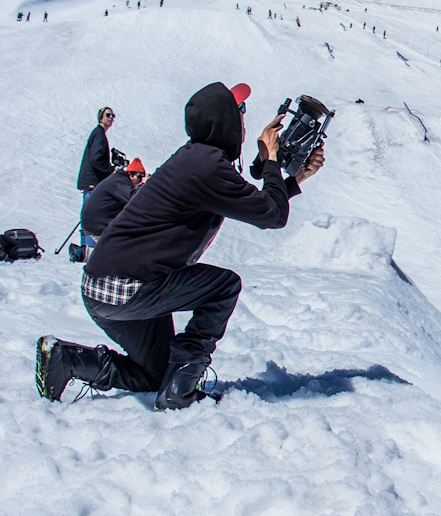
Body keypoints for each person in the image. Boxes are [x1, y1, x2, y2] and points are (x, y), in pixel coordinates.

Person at [35, 82, 325, 410]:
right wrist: (271, 160)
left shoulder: (197, 160)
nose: (244, 121)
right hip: (128, 286)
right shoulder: (206, 165)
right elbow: (272, 215)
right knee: (223, 287)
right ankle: (181, 390)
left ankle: (67, 359)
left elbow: (261, 204)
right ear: (226, 122)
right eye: (239, 112)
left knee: (156, 375)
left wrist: (293, 177)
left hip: (104, 287)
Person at [79, 158, 147, 259]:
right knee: (124, 248)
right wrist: (147, 185)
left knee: (122, 244)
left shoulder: (117, 179)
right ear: (130, 174)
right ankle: (86, 254)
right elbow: (133, 197)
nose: (139, 182)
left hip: (95, 221)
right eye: (139, 178)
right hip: (97, 224)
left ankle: (88, 256)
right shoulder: (119, 182)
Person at [77, 108, 116, 204]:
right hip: (92, 182)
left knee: (90, 214)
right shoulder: (99, 134)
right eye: (108, 115)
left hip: (92, 182)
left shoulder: (99, 133)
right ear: (101, 117)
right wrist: (110, 169)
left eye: (112, 116)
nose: (110, 118)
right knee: (90, 215)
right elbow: (95, 159)